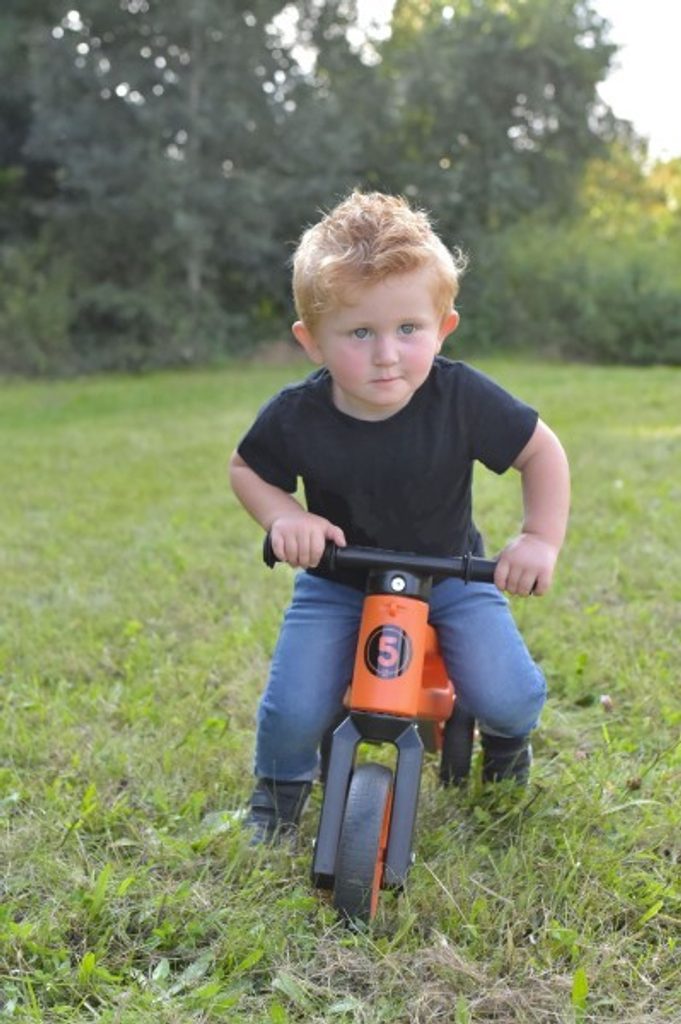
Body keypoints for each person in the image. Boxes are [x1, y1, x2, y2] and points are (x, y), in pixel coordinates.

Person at [229, 191, 570, 843]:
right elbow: (247, 468)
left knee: (508, 694)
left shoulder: (459, 396)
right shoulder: (297, 416)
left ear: (443, 327)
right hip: (338, 582)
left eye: (408, 329)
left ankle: (504, 746)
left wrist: (537, 538)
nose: (386, 353)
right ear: (311, 341)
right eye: (360, 333)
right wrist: (284, 517)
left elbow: (540, 450)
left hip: (452, 577)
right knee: (294, 705)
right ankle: (276, 796)